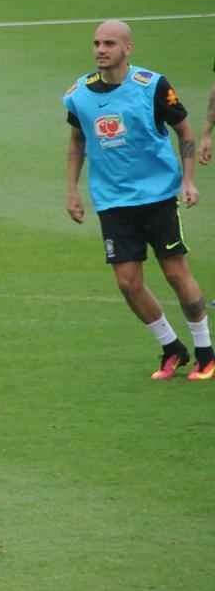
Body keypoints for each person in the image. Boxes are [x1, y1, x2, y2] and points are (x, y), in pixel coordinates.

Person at [64, 20, 212, 380]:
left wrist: (188, 181)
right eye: (97, 43)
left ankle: (206, 351)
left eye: (110, 43)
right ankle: (171, 347)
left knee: (176, 273)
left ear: (127, 48)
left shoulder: (153, 86)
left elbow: (184, 132)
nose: (101, 49)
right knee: (127, 282)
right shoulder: (79, 94)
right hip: (113, 201)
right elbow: (77, 142)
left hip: (158, 195)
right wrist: (72, 189)